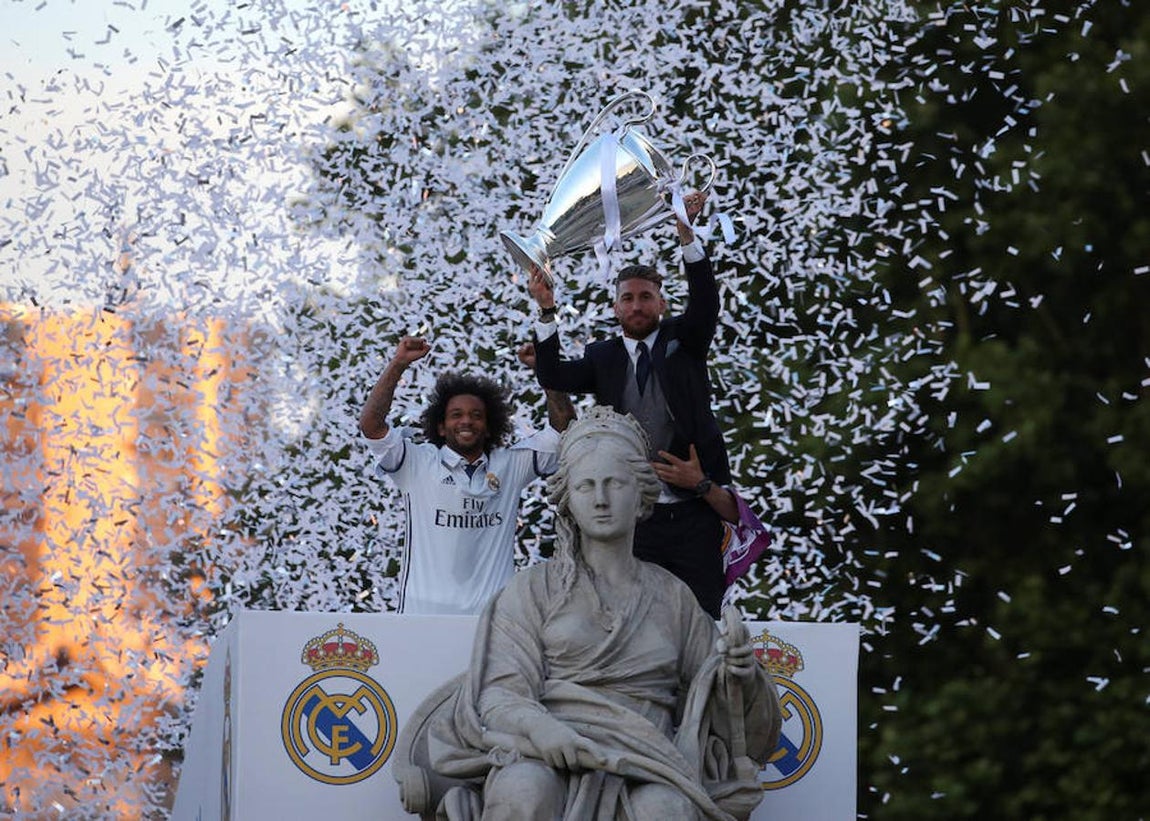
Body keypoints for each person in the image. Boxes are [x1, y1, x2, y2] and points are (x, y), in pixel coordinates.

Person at [424, 406, 780, 821]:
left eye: (614, 483)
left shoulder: (674, 597)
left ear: (642, 493)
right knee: (524, 789)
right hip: (547, 749)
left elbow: (716, 703)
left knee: (665, 811)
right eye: (586, 486)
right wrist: (544, 730)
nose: (601, 499)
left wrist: (740, 674)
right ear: (569, 499)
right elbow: (501, 693)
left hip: (648, 759)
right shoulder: (533, 589)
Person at [527, 190, 735, 617]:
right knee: (631, 619)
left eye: (645, 297)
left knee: (700, 617)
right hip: (633, 518)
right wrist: (547, 312)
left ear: (661, 303)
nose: (637, 305)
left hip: (694, 509)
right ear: (616, 306)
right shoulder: (603, 357)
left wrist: (686, 234)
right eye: (628, 298)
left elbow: (706, 303)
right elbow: (553, 376)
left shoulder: (685, 340)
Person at [359, 335, 574, 615]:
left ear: (488, 427)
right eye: (456, 415)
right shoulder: (416, 462)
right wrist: (397, 364)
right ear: (440, 427)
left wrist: (545, 371)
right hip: (422, 618)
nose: (466, 421)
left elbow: (564, 433)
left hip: (493, 622)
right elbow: (372, 426)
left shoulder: (510, 465)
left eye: (476, 415)